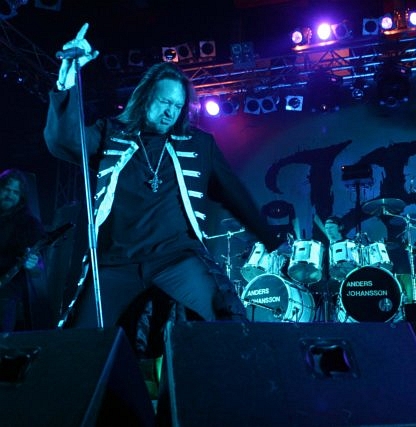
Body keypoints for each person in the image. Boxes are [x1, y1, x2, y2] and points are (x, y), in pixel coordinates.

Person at [44, 24, 279, 355]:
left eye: (177, 105)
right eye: (164, 101)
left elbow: (234, 193)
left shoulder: (198, 144)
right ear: (145, 98)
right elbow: (63, 141)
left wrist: (271, 239)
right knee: (79, 346)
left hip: (176, 258)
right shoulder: (111, 133)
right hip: (115, 262)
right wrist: (68, 78)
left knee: (222, 317)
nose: (170, 111)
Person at [0, 168, 47, 332]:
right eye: (7, 189)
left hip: (5, 294)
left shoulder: (29, 225)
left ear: (21, 197)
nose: (10, 195)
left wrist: (32, 265)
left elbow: (39, 270)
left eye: (15, 192)